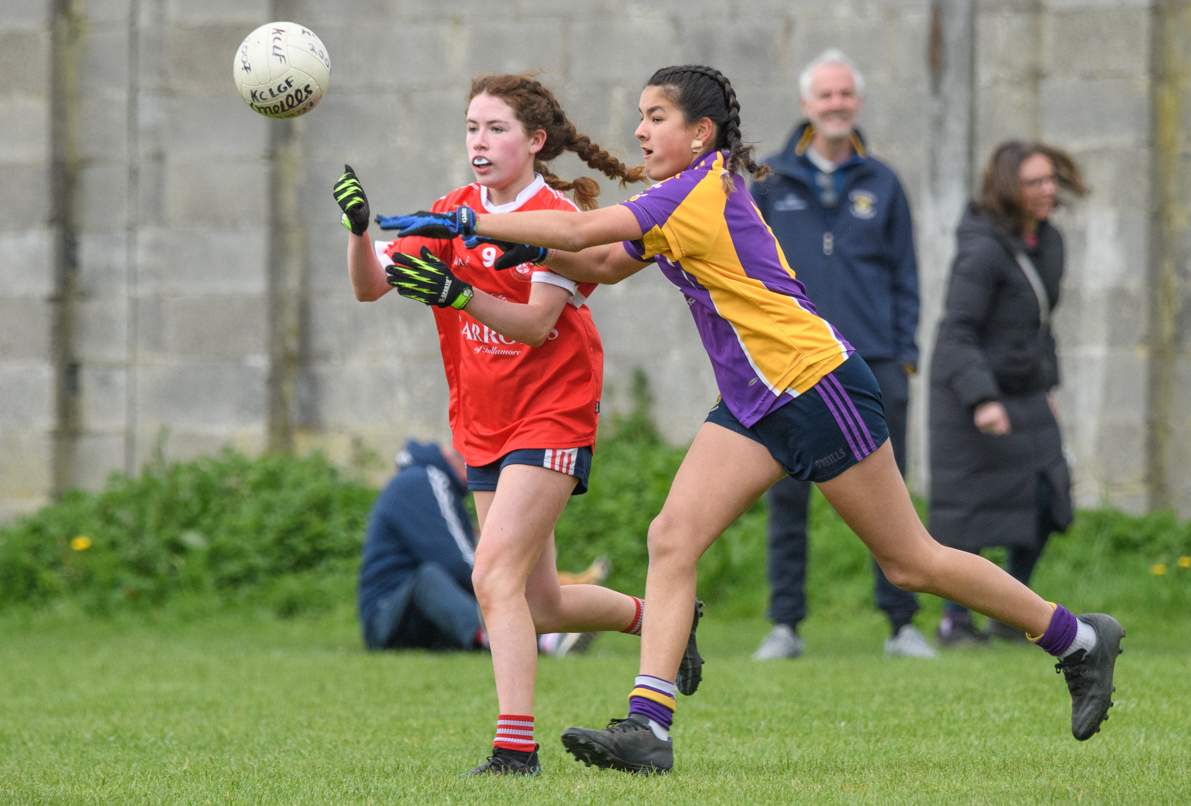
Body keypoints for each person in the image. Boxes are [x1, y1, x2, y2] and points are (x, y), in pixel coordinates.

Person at [386, 64, 1124, 775]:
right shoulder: (675, 193)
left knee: (910, 562)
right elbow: (605, 264)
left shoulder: (697, 192)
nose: (639, 130)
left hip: (810, 384)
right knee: (670, 539)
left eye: (656, 117)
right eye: (639, 116)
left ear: (701, 132)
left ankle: (1075, 637)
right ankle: (648, 726)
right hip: (750, 400)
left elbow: (581, 237)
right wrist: (471, 257)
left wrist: (468, 221)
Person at [332, 74, 704, 778]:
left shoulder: (551, 213)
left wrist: (455, 291)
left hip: (551, 413)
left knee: (491, 576)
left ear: (534, 141)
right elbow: (367, 286)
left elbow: (535, 326)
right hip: (483, 422)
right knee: (538, 602)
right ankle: (661, 618)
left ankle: (514, 751)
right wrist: (358, 233)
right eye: (471, 127)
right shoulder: (451, 211)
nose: (479, 141)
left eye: (495, 128)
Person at [749, 49, 933, 660]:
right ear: (806, 106)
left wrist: (904, 356)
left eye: (845, 95)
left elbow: (907, 275)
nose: (836, 105)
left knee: (890, 499)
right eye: (825, 96)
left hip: (874, 362)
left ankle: (902, 625)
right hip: (791, 363)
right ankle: (785, 625)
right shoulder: (769, 182)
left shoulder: (882, 182)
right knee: (787, 492)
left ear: (857, 103)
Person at [929, 141, 1087, 646]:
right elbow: (957, 332)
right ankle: (955, 620)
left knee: (1045, 499)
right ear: (1008, 189)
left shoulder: (1051, 242)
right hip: (971, 393)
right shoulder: (982, 249)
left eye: (1051, 179)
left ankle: (1010, 609)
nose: (1048, 189)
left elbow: (1039, 326)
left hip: (1026, 391)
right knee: (968, 515)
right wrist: (982, 399)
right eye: (1034, 181)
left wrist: (1049, 385)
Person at [358, 439, 601, 657]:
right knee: (429, 579)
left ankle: (534, 633)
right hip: (386, 619)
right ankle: (519, 638)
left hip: (421, 621)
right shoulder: (424, 479)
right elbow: (456, 562)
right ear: (456, 459)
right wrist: (506, 583)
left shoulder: (425, 484)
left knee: (472, 581)